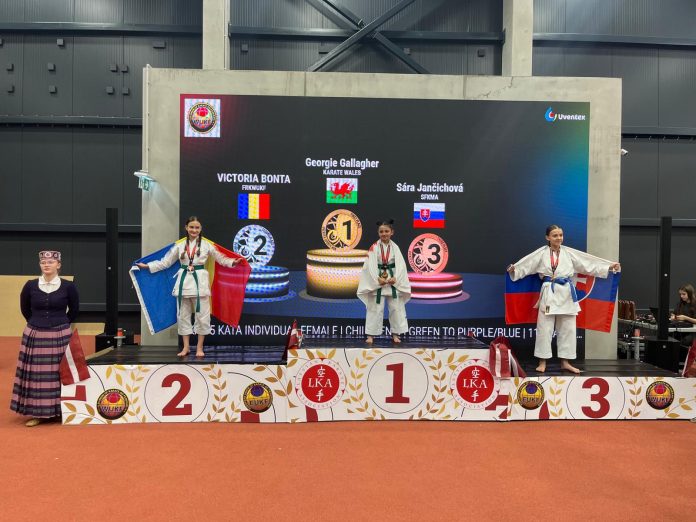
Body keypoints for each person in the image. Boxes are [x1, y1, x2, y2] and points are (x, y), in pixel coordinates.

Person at [507, 225, 620, 374]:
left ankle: (565, 362)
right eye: (555, 235)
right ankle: (542, 361)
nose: (559, 238)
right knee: (544, 329)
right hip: (549, 291)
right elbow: (527, 264)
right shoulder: (541, 253)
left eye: (560, 235)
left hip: (567, 294)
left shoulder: (569, 253)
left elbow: (587, 263)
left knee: (568, 329)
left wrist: (608, 266)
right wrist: (516, 269)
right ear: (547, 237)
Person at [136, 216, 242, 357]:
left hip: (200, 284)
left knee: (203, 317)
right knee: (182, 316)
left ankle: (199, 348)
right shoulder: (179, 246)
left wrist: (233, 262)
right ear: (186, 228)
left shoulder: (207, 245)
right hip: (183, 284)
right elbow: (165, 262)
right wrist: (147, 266)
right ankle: (186, 347)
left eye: (197, 227)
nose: (194, 230)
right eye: (191, 227)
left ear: (200, 229)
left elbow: (221, 258)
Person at [11, 251, 79, 427]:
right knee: (38, 375)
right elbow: (25, 309)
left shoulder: (68, 286)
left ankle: (63, 411)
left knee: (61, 372)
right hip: (36, 332)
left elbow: (74, 310)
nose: (46, 265)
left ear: (58, 265)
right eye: (43, 262)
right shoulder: (30, 285)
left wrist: (62, 324)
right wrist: (37, 322)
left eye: (50, 262)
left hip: (61, 333)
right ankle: (38, 413)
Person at [357, 219, 411, 344]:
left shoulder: (395, 248)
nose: (384, 234)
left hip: (392, 281)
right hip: (378, 280)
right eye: (381, 232)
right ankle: (371, 335)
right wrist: (377, 278)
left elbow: (401, 265)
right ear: (378, 233)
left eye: (386, 231)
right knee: (375, 308)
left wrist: (395, 277)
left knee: (396, 308)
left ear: (392, 232)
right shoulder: (374, 247)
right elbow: (369, 266)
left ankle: (396, 334)